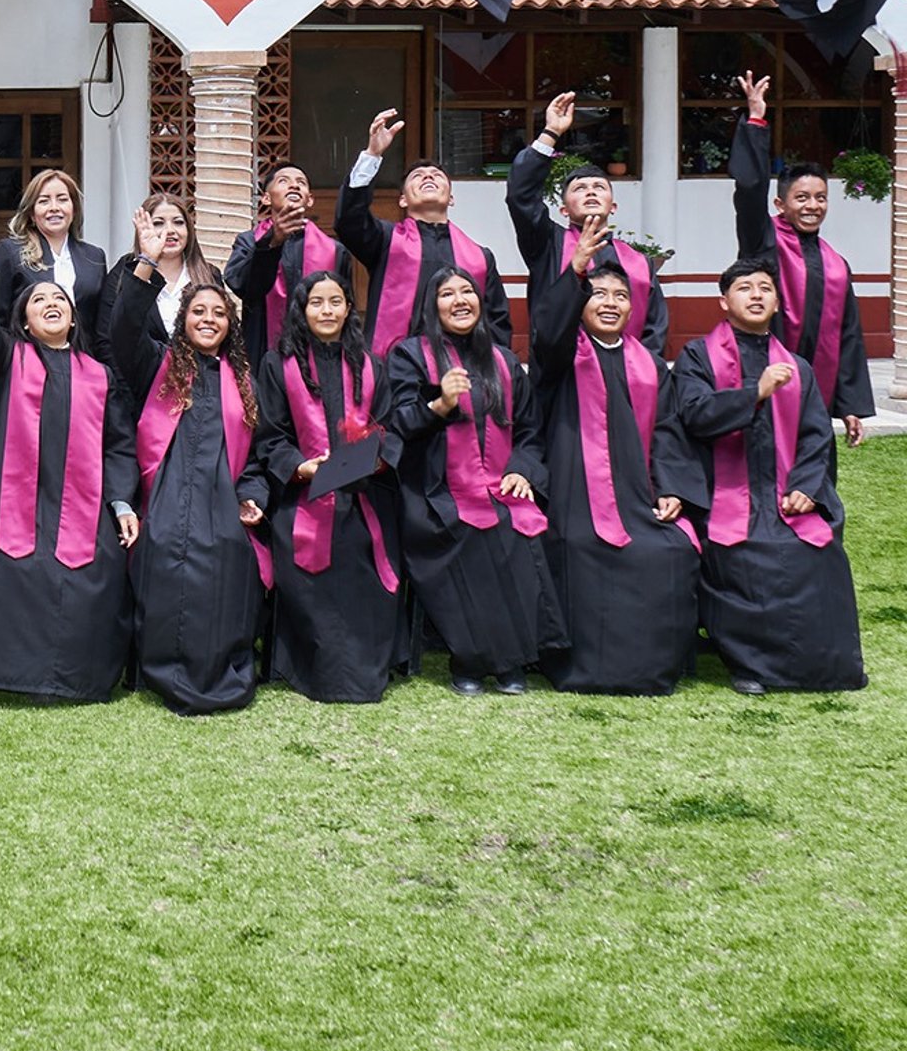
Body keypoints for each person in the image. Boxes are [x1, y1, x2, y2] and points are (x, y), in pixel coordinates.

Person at [0, 204, 137, 702]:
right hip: (14, 504)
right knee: (12, 568)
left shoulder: (99, 376)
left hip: (82, 503)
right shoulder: (6, 360)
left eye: (60, 297)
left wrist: (121, 502)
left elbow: (120, 446)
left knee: (90, 571)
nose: (51, 302)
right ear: (26, 322)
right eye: (39, 300)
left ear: (74, 314)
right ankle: (9, 673)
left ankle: (78, 675)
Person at [674, 260, 865, 694]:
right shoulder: (697, 357)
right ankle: (751, 666)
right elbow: (693, 416)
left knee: (815, 554)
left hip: (783, 495)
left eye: (765, 288)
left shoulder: (798, 366)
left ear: (778, 303)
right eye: (744, 288)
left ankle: (828, 667)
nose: (756, 294)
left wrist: (806, 486)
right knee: (749, 556)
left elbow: (816, 436)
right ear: (724, 302)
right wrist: (753, 393)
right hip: (725, 493)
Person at [526, 227, 703, 695]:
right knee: (583, 547)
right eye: (598, 294)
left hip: (636, 496)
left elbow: (668, 431)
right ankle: (577, 666)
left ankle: (653, 666)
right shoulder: (562, 357)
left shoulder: (648, 363)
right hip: (574, 492)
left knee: (670, 550)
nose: (610, 302)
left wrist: (670, 488)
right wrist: (577, 268)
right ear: (581, 304)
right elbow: (548, 332)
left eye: (621, 296)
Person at [111, 206, 273, 714]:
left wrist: (252, 497)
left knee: (228, 564)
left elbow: (257, 460)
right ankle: (161, 674)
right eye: (198, 312)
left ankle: (220, 671)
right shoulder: (159, 364)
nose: (208, 319)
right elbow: (121, 330)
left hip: (222, 503)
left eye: (218, 313)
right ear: (183, 321)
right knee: (165, 566)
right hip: (164, 497)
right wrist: (146, 260)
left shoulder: (243, 383)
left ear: (230, 325)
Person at [388, 268, 566, 696]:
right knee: (468, 534)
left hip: (498, 485)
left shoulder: (503, 361)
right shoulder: (409, 356)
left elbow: (528, 430)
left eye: (467, 291)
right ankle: (470, 658)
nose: (460, 300)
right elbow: (396, 424)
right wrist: (440, 403)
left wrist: (522, 469)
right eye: (446, 293)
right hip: (434, 491)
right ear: (432, 307)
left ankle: (512, 659)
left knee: (517, 530)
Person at [256, 270, 406, 703]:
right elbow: (270, 436)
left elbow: (390, 426)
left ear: (347, 307)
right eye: (316, 302)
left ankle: (365, 668)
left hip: (364, 495)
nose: (327, 310)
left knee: (362, 551)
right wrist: (301, 467)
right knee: (310, 563)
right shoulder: (278, 365)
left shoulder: (372, 365)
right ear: (302, 311)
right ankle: (315, 670)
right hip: (305, 497)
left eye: (335, 301)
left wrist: (376, 457)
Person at [730, 70, 874, 448]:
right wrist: (756, 122)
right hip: (763, 382)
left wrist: (851, 405)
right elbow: (748, 190)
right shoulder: (764, 241)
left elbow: (848, 336)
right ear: (780, 203)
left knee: (813, 477)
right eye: (802, 197)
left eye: (821, 197)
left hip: (816, 396)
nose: (813, 205)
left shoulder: (836, 264)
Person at [337, 110, 511, 356]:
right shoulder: (386, 241)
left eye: (437, 175)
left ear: (451, 198)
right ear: (402, 200)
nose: (428, 176)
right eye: (417, 176)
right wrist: (372, 154)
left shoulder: (480, 257)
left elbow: (497, 322)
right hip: (397, 369)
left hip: (464, 371)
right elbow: (348, 220)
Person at [508, 91, 668, 352]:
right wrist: (550, 132)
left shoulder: (640, 263)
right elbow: (520, 196)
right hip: (562, 378)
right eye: (580, 188)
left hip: (626, 376)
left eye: (599, 187)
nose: (591, 191)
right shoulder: (547, 245)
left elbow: (655, 330)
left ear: (613, 207)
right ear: (563, 210)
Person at [223, 163, 352, 372]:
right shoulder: (249, 242)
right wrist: (272, 242)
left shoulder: (335, 251)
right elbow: (240, 284)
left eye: (301, 183)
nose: (294, 186)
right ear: (266, 198)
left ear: (309, 199)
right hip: (261, 353)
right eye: (284, 181)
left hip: (319, 361)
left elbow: (345, 308)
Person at [0, 168, 110, 360]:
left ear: (74, 208)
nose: (54, 207)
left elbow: (101, 325)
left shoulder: (94, 256)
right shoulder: (10, 252)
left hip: (83, 365)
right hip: (27, 366)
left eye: (62, 199)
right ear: (31, 213)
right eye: (44, 201)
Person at [100, 192, 221, 353]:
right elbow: (106, 340)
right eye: (158, 223)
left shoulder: (209, 275)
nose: (170, 230)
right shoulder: (124, 272)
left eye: (178, 222)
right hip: (139, 376)